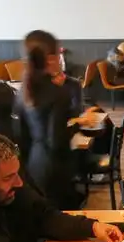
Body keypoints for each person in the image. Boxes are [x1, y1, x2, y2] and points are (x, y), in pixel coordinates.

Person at [17, 30, 97, 210]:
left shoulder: (24, 90)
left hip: (33, 164)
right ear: (51, 57)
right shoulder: (57, 93)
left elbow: (22, 137)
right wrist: (78, 123)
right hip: (55, 168)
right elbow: (56, 141)